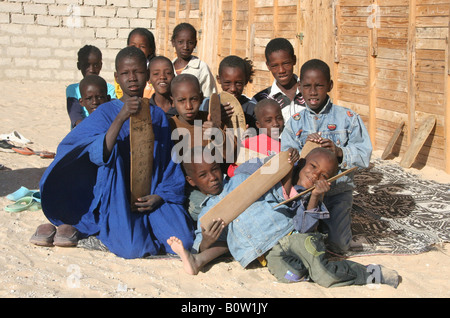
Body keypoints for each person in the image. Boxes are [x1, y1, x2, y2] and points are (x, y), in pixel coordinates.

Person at [32, 46, 195, 259]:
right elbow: (93, 152)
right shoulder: (105, 112)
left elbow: (168, 164)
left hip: (152, 193)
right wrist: (121, 117)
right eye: (125, 73)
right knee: (133, 249)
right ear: (117, 77)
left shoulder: (158, 116)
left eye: (137, 72)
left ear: (146, 76)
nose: (132, 78)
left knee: (184, 240)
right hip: (117, 195)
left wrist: (159, 196)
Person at [167, 147, 399, 288]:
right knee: (292, 275)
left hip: (290, 237)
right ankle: (313, 270)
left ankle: (372, 273)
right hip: (268, 253)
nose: (213, 178)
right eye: (313, 166)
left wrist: (310, 192)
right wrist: (207, 240)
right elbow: (207, 243)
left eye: (215, 170)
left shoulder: (254, 185)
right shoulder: (217, 205)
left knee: (323, 273)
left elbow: (300, 223)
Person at [281, 58, 373, 255]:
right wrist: (299, 153)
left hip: (337, 192)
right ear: (299, 87)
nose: (313, 92)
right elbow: (285, 160)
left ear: (329, 85)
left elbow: (365, 155)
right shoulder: (294, 124)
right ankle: (319, 223)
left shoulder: (348, 118)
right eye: (307, 86)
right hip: (303, 196)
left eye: (319, 86)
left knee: (339, 246)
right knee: (291, 237)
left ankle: (335, 219)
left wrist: (340, 152)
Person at [169, 73, 237, 165]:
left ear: (201, 98)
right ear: (173, 101)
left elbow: (233, 154)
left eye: (193, 99)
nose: (189, 106)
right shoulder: (169, 126)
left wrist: (217, 134)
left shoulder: (211, 121)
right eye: (181, 100)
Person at [227, 98, 285, 177]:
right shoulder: (248, 144)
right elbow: (232, 171)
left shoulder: (285, 145)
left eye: (279, 118)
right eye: (268, 120)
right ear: (258, 125)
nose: (275, 124)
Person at [252, 38, 305, 122]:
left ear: (294, 60)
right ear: (268, 66)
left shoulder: (310, 92)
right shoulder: (261, 100)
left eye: (286, 63)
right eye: (274, 66)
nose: (281, 70)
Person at [66, 45, 116, 128]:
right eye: (86, 65)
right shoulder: (73, 90)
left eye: (96, 65)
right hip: (81, 132)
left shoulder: (109, 89)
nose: (92, 70)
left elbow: (111, 112)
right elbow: (75, 117)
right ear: (79, 65)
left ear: (101, 65)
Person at [201, 55, 257, 129]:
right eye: (227, 83)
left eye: (238, 83)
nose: (233, 89)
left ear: (246, 81)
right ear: (219, 80)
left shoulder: (252, 108)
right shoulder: (208, 103)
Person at [171, 23, 217, 98]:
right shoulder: (168, 67)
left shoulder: (201, 68)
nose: (185, 47)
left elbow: (210, 97)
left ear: (195, 44)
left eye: (190, 43)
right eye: (180, 42)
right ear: (173, 42)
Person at [115, 28, 156, 99]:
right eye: (133, 46)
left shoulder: (156, 68)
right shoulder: (122, 67)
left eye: (142, 46)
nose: (137, 49)